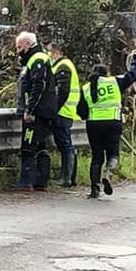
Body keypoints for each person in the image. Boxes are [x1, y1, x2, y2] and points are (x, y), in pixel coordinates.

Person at [76, 54, 136, 199]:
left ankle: (94, 189)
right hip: (112, 122)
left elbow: (80, 111)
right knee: (113, 154)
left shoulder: (85, 88)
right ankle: (107, 174)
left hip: (93, 125)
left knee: (97, 156)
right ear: (106, 74)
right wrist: (135, 62)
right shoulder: (114, 82)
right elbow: (131, 76)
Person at [12, 31, 57, 192]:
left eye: (19, 47)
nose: (17, 51)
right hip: (43, 110)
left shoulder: (37, 58)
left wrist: (30, 109)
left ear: (27, 44)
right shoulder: (37, 58)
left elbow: (38, 86)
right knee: (40, 145)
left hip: (37, 112)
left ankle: (27, 181)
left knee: (29, 145)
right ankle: (40, 181)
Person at [48, 42, 80, 187]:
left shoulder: (63, 66)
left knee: (65, 145)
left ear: (56, 52)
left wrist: (53, 109)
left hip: (62, 112)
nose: (49, 56)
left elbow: (63, 91)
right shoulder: (65, 65)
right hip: (66, 111)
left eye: (50, 53)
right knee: (66, 144)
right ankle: (70, 178)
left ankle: (66, 178)